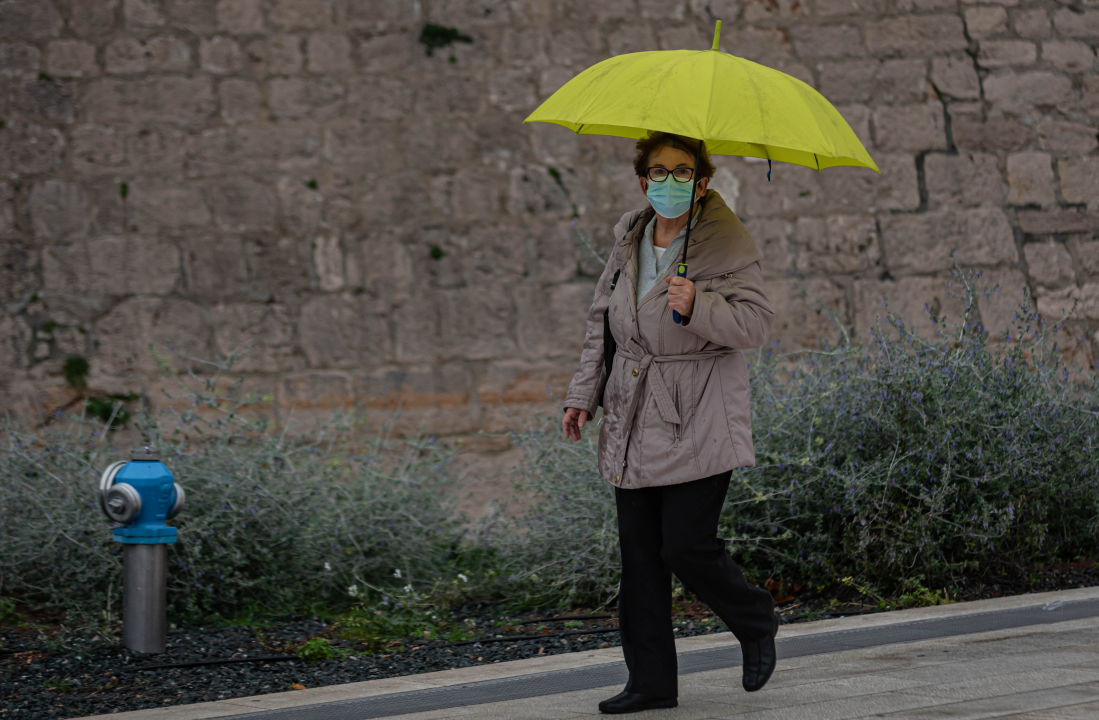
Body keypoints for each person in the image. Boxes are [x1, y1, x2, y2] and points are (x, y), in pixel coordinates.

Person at [561, 132, 780, 715]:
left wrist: (697, 305)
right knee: (639, 559)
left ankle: (755, 620)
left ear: (703, 181)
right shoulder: (629, 236)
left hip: (700, 415)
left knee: (685, 546)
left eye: (683, 172)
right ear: (642, 180)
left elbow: (756, 326)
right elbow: (601, 324)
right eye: (658, 171)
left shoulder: (724, 239)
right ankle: (651, 683)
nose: (669, 181)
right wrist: (582, 396)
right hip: (632, 413)